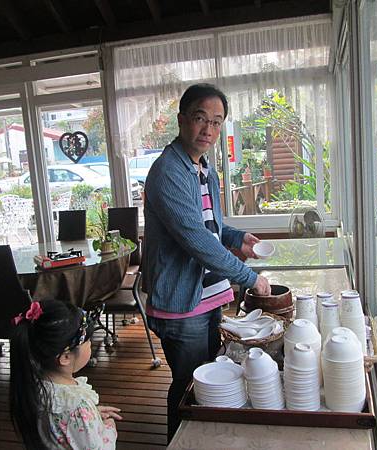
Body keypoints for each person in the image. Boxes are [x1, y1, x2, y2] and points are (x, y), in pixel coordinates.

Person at [142, 83, 271, 442]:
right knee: (188, 386)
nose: (208, 130)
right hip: (182, 305)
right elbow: (195, 239)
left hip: (208, 297)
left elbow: (210, 226)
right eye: (201, 118)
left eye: (216, 122)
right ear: (182, 119)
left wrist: (238, 238)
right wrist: (249, 277)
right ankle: (178, 443)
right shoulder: (168, 171)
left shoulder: (203, 169)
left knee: (208, 380)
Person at [9, 300, 122, 449]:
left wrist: (91, 416)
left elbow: (61, 422)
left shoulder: (34, 386)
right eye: (87, 341)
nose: (90, 344)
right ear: (65, 357)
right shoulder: (76, 405)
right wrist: (109, 428)